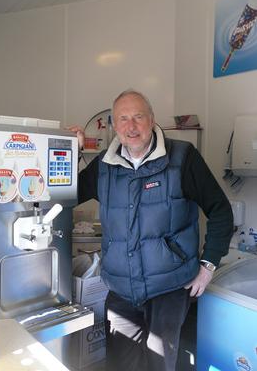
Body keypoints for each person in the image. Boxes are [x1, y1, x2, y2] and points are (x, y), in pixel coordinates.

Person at [69, 89, 233, 371]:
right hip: (121, 290)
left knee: (160, 363)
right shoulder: (105, 166)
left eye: (138, 117)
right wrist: (72, 151)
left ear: (152, 120)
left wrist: (208, 266)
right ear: (114, 125)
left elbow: (220, 210)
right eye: (123, 119)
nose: (131, 127)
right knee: (121, 363)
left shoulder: (182, 157)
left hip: (169, 288)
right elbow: (65, 194)